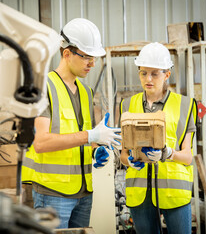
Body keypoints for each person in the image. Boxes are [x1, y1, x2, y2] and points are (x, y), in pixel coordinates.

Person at [22, 18, 121, 229]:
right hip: (53, 194)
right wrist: (90, 136)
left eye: (93, 58)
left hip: (84, 193)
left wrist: (95, 151)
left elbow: (84, 138)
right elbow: (41, 143)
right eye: (87, 57)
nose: (92, 64)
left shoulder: (86, 92)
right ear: (67, 53)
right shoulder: (43, 87)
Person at [119, 42, 197, 234]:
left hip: (174, 192)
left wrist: (168, 154)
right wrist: (129, 161)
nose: (148, 79)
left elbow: (188, 157)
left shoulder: (185, 105)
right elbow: (123, 154)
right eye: (143, 73)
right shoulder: (127, 104)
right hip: (140, 193)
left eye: (155, 73)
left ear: (167, 74)